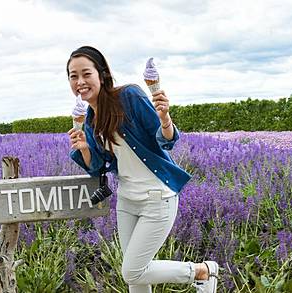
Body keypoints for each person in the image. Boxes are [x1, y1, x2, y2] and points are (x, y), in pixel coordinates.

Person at [67, 46, 219, 293]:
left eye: (86, 73)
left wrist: (165, 119)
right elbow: (97, 167)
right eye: (73, 76)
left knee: (132, 269)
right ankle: (199, 272)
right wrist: (84, 147)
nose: (80, 82)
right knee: (135, 278)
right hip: (127, 200)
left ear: (102, 74)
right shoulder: (91, 120)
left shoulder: (129, 97)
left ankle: (201, 271)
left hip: (157, 199)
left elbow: (166, 140)